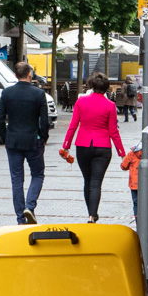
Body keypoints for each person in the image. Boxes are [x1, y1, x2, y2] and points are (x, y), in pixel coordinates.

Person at [61, 72, 125, 223]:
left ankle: (90, 212)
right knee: (96, 182)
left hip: (83, 145)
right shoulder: (110, 105)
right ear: (106, 88)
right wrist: (121, 153)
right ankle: (92, 215)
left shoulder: (81, 102)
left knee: (87, 181)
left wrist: (66, 146)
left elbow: (73, 126)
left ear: (91, 85)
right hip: (102, 147)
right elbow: (113, 131)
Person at [0, 62, 49, 224]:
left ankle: (20, 217)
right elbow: (44, 121)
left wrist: (6, 138)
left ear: (15, 75)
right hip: (33, 141)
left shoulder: (7, 93)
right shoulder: (39, 94)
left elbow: (0, 119)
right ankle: (30, 206)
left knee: (17, 180)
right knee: (38, 174)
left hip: (13, 141)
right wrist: (43, 138)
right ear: (30, 74)